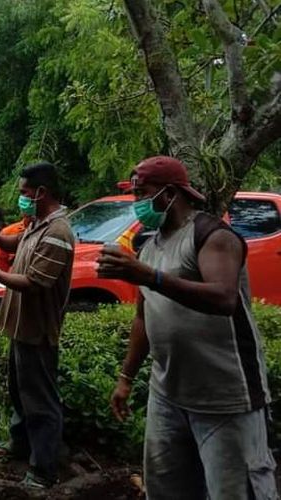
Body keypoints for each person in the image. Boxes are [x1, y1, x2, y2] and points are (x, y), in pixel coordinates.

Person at [98, 156, 276, 500]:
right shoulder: (150, 247)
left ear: (169, 193)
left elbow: (225, 298)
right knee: (166, 489)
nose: (137, 203)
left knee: (234, 491)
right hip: (168, 394)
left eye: (141, 193)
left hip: (225, 396)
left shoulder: (213, 236)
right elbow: (143, 316)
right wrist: (125, 379)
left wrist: (151, 277)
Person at [0, 162, 75, 491]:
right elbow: (17, 243)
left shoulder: (58, 233)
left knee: (40, 402)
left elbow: (34, 283)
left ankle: (43, 470)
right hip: (20, 326)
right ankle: (20, 445)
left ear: (42, 193)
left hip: (38, 330)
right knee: (20, 394)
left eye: (25, 193)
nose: (21, 198)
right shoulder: (39, 224)